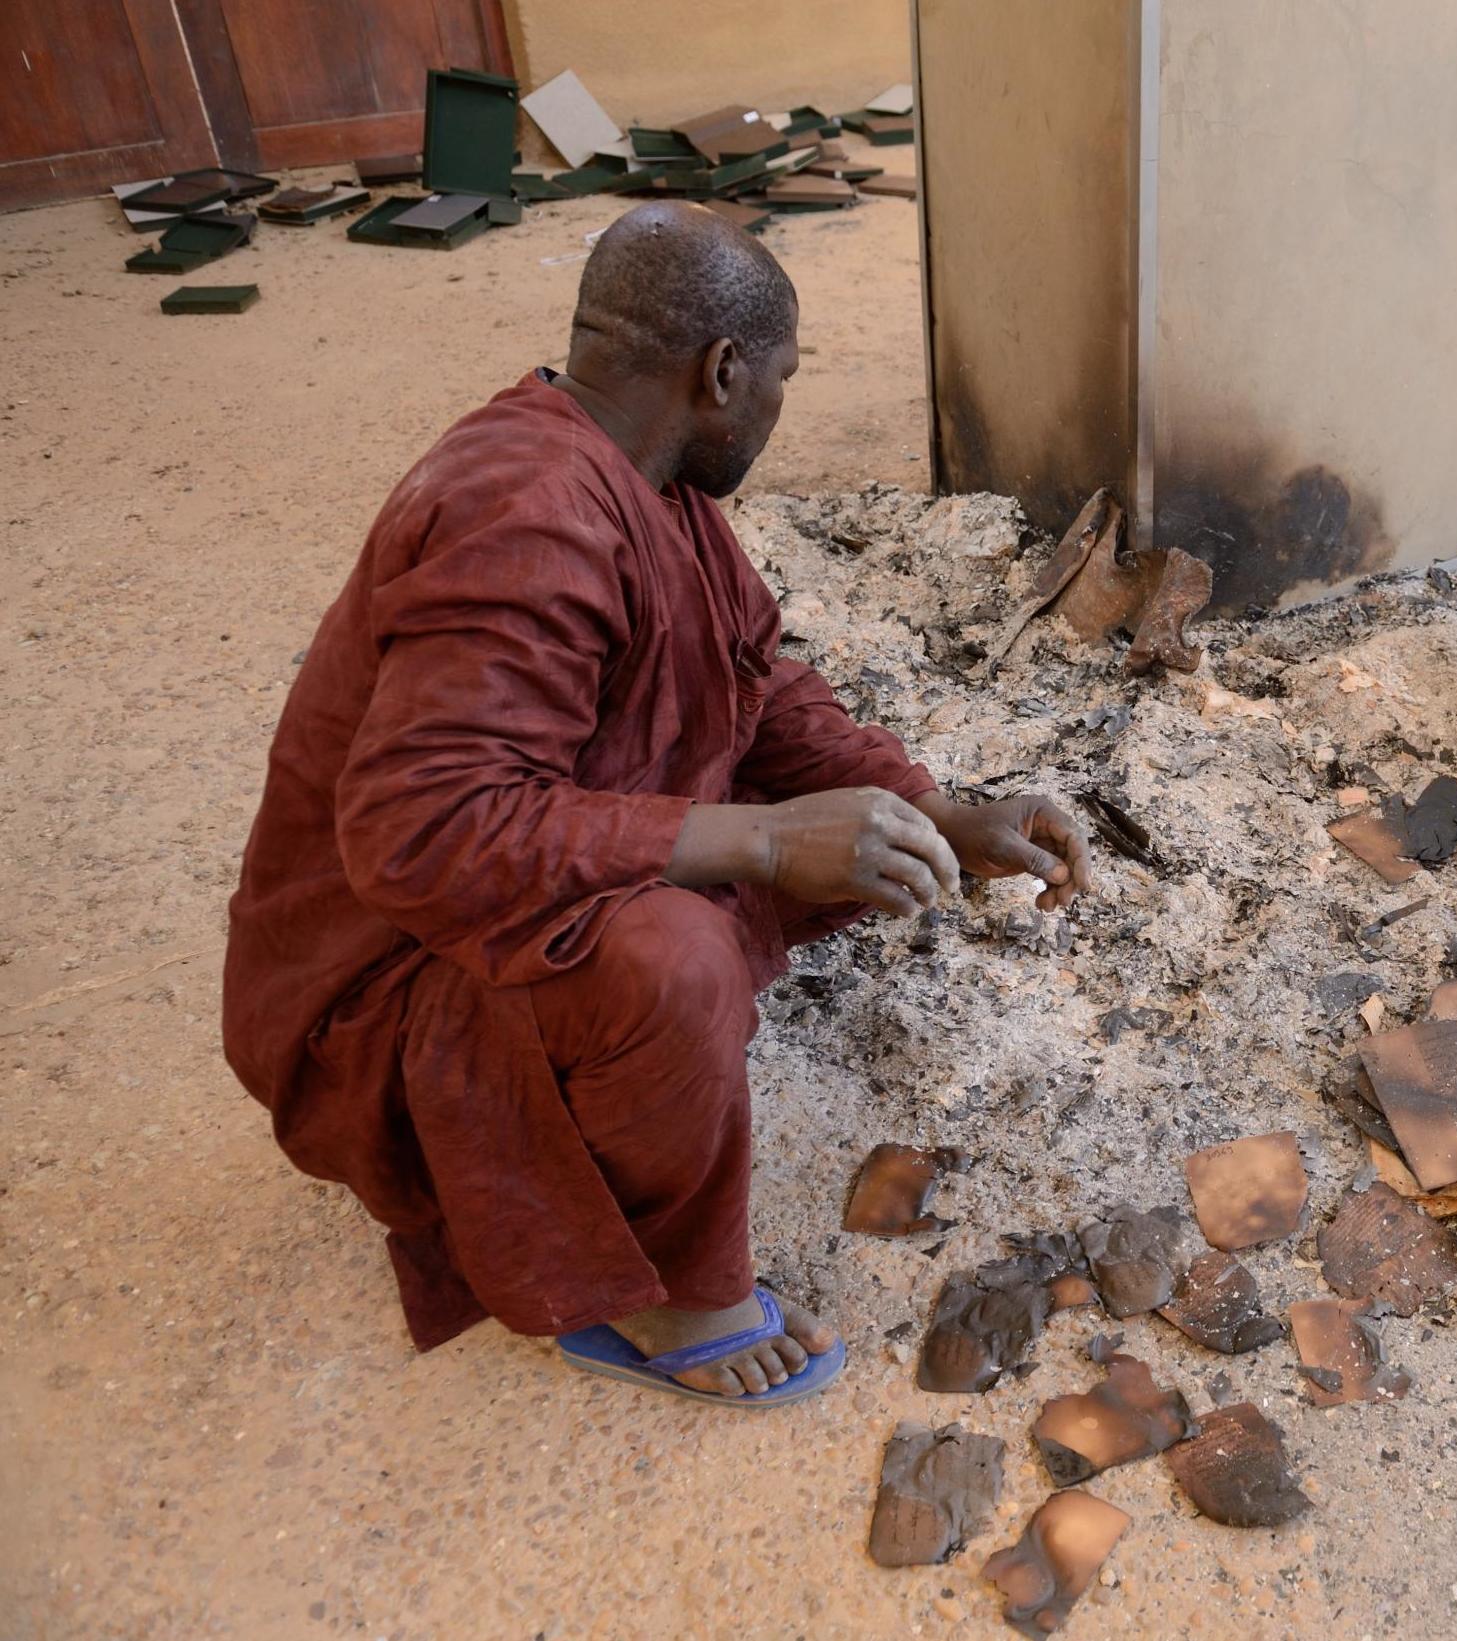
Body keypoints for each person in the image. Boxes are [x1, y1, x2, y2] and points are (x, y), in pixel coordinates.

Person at [223, 202, 1092, 1405]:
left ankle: (630, 1083)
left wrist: (934, 810)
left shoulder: (645, 474)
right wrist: (770, 841)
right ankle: (660, 1293)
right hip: (380, 987)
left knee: (786, 823)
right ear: (723, 370)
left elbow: (758, 683)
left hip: (483, 889)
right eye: (783, 381)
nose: (781, 413)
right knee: (673, 954)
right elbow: (422, 832)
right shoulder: (520, 509)